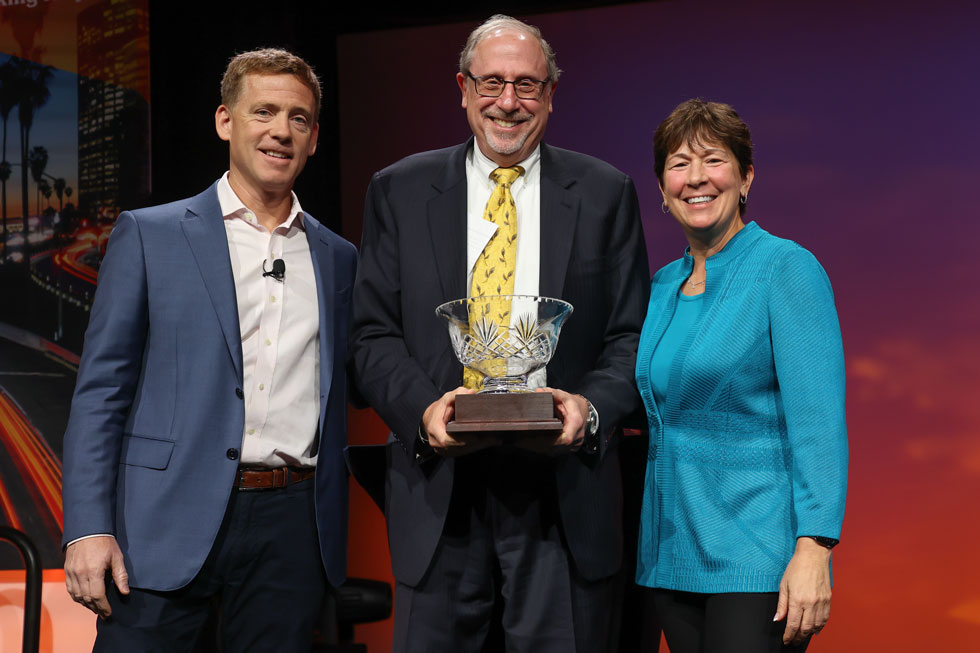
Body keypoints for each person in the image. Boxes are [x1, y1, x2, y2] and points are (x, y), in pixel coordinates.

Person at [350, 14, 649, 652]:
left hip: (562, 493)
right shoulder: (399, 191)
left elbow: (631, 338)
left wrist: (589, 410)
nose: (507, 103)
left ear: (550, 95)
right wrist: (422, 412)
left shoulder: (604, 192)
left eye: (526, 86)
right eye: (490, 84)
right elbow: (372, 334)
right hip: (440, 489)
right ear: (462, 88)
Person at [61, 48, 357, 651]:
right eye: (264, 112)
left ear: (315, 137)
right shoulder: (150, 234)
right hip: (161, 523)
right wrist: (87, 527)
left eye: (298, 119)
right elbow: (101, 394)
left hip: (291, 526)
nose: (281, 131)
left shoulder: (338, 258)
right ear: (226, 121)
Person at [634, 98, 848, 652]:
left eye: (713, 160)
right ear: (661, 188)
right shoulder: (660, 287)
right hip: (671, 556)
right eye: (679, 164)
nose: (696, 178)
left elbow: (818, 423)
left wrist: (815, 547)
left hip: (757, 558)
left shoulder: (785, 268)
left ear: (746, 176)